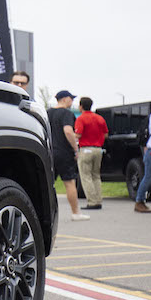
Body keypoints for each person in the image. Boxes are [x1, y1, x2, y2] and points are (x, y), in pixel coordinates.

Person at [47, 90, 87, 220]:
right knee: (69, 182)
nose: (72, 101)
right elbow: (68, 131)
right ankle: (76, 213)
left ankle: (45, 215)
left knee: (48, 184)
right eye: (71, 99)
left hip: (49, 151)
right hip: (64, 152)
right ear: (64, 99)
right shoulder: (66, 113)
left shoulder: (48, 113)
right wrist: (75, 149)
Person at [73, 96, 108, 210]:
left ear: (81, 106)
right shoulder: (99, 118)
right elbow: (105, 134)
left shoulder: (81, 119)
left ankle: (92, 202)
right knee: (96, 176)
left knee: (86, 176)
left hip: (86, 149)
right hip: (98, 149)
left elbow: (78, 135)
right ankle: (98, 199)